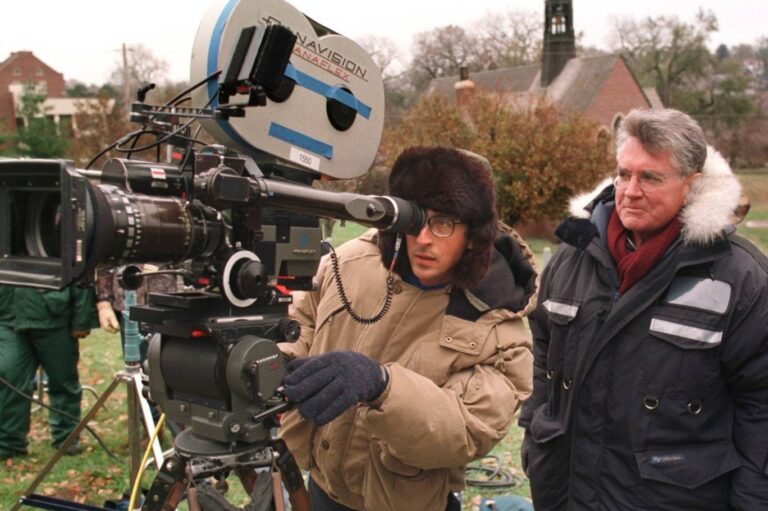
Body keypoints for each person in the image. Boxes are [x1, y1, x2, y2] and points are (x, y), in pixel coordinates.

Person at [519, 108, 768, 510]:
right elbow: (543, 350)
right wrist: (536, 432)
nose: (630, 191)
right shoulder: (574, 254)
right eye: (624, 174)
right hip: (565, 492)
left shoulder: (739, 277)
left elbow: (761, 404)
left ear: (692, 184)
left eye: (650, 178)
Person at [278, 146, 538, 511]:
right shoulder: (348, 261)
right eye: (416, 219)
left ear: (473, 235)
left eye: (443, 223)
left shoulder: (497, 321)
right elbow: (303, 321)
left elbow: (467, 429)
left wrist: (383, 386)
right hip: (318, 487)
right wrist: (281, 363)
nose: (424, 239)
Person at [0, 284, 97, 459]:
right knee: (10, 378)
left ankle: (66, 439)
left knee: (63, 381)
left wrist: (82, 319)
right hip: (8, 316)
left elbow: (81, 277)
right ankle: (9, 443)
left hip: (55, 315)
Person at [95, 264, 177, 360]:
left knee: (169, 361)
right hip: (130, 308)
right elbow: (105, 264)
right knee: (135, 361)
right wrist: (104, 303)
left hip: (168, 306)